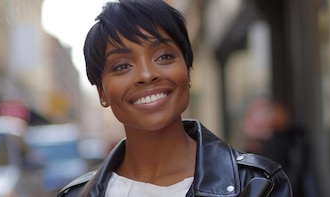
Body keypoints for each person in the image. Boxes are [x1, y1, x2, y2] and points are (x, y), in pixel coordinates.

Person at [57, 0, 292, 196]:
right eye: (122, 66)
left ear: (187, 71)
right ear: (102, 93)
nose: (147, 75)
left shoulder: (256, 183)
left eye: (164, 56)